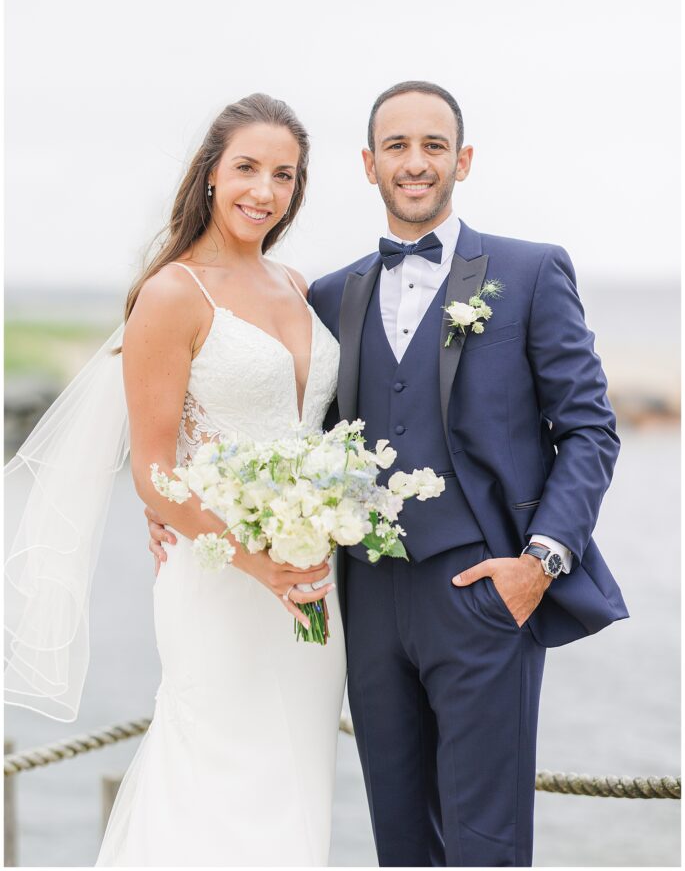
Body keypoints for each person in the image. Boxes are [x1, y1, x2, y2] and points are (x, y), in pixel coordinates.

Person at [148, 81, 628, 867]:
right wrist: (173, 497)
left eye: (432, 146)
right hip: (360, 605)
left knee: (485, 844)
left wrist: (539, 562)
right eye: (396, 148)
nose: (415, 164)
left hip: (485, 593)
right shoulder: (329, 296)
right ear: (368, 165)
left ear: (461, 160)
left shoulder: (532, 271)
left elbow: (587, 428)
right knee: (399, 843)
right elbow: (281, 426)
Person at [6, 93, 346, 866]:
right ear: (210, 175)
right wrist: (261, 565)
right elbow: (156, 474)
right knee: (217, 777)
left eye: (284, 175)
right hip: (220, 580)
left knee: (295, 775)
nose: (264, 190)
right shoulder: (172, 294)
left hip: (311, 581)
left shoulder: (295, 284)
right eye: (247, 168)